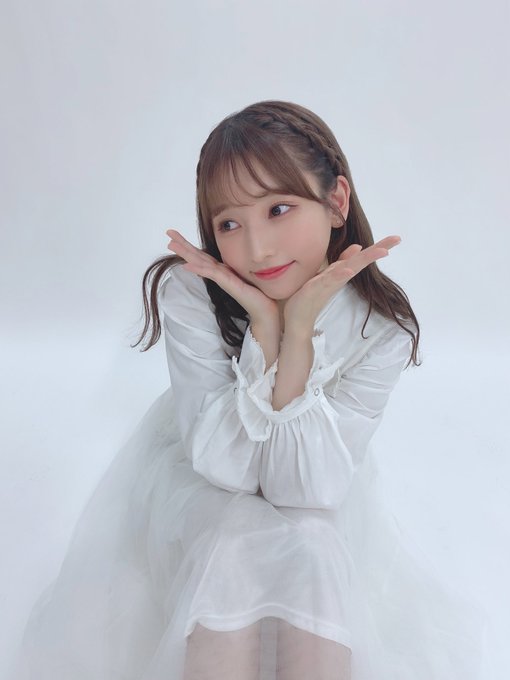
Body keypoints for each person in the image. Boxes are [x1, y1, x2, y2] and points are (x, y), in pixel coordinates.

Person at [12, 100, 488, 680]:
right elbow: (231, 471)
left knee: (311, 543)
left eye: (279, 209)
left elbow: (301, 489)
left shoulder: (379, 329)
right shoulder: (194, 293)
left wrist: (297, 336)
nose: (257, 248)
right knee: (237, 537)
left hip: (315, 478)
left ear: (336, 201)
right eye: (229, 224)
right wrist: (264, 327)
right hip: (199, 476)